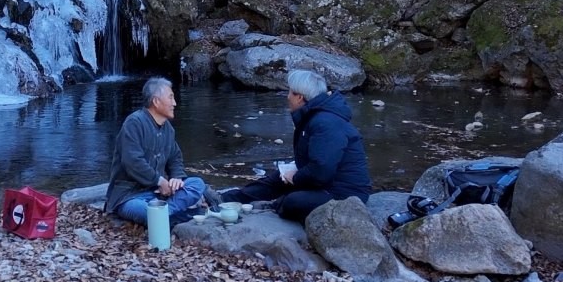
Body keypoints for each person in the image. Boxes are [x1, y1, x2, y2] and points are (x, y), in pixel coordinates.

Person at [221, 69, 372, 222]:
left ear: (299, 97)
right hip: (326, 182)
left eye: (290, 92)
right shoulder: (315, 116)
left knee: (293, 202)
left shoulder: (325, 122)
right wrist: (293, 173)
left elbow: (321, 169)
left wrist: (296, 177)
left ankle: (272, 206)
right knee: (276, 178)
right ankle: (225, 199)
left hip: (344, 193)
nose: (287, 97)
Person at [105, 77, 208, 226]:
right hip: (128, 196)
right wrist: (159, 181)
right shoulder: (134, 123)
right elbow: (132, 162)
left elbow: (175, 158)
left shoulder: (168, 129)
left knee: (197, 184)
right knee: (143, 210)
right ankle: (171, 215)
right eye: (170, 97)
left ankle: (164, 214)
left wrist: (176, 178)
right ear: (156, 101)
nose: (175, 103)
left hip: (157, 193)